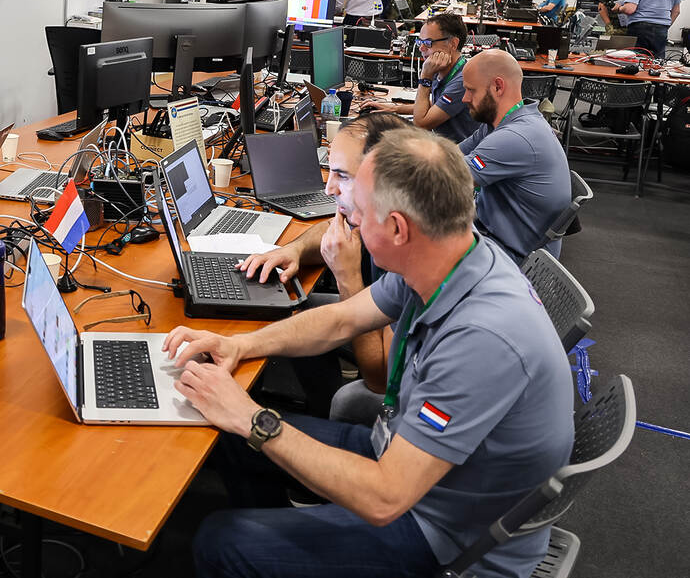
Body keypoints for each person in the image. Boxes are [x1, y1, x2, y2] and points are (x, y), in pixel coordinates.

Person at [171, 130, 574, 578]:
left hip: (446, 534)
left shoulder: (483, 340)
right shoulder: (446, 254)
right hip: (414, 465)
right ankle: (282, 551)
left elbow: (386, 498)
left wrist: (252, 417)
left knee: (220, 540)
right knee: (231, 440)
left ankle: (266, 549)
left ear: (398, 228)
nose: (350, 220)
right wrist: (239, 344)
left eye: (359, 211)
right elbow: (341, 320)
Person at [240, 113, 412, 424]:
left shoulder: (409, 256)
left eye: (342, 176)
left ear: (383, 181)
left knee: (348, 401)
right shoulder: (389, 211)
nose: (329, 188)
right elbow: (334, 228)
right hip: (381, 325)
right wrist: (293, 250)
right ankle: (318, 407)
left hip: (402, 404)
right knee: (299, 305)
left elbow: (379, 378)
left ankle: (327, 423)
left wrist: (347, 276)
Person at [459, 50, 571, 261]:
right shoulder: (508, 121)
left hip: (512, 258)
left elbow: (447, 177)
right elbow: (453, 154)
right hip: (498, 234)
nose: (465, 98)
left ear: (498, 87)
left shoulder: (514, 137)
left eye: (471, 90)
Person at [361, 13, 476, 142]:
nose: (421, 48)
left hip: (455, 151)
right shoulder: (443, 68)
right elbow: (438, 104)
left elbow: (421, 124)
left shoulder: (462, 81)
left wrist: (425, 77)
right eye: (420, 42)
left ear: (453, 44)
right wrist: (394, 108)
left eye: (428, 43)